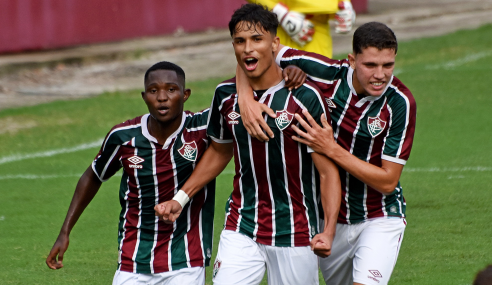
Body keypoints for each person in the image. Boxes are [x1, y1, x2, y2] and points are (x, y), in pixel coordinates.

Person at [155, 3, 341, 285]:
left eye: (257, 39)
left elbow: (327, 172)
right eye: (240, 41)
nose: (247, 48)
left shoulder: (305, 97)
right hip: (242, 225)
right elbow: (219, 150)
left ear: (275, 43)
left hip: (296, 230)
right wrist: (181, 198)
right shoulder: (226, 95)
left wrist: (327, 231)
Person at [238, 22, 417, 285]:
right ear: (352, 60)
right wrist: (245, 98)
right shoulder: (322, 72)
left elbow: (388, 181)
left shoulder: (400, 102)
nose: (380, 75)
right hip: (327, 219)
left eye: (387, 65)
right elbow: (252, 53)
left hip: (379, 216)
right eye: (371, 65)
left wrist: (331, 148)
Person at [45, 61, 228, 285]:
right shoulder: (123, 137)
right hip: (133, 259)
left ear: (185, 94)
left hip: (186, 260)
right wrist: (65, 231)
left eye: (171, 89)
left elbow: (237, 98)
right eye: (153, 91)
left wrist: (284, 65)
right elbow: (93, 175)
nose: (162, 97)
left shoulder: (201, 128)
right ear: (144, 97)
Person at [246, 0, 356, 58]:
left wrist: (344, 4)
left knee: (319, 84)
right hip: (282, 27)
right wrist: (278, 13)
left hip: (317, 26)